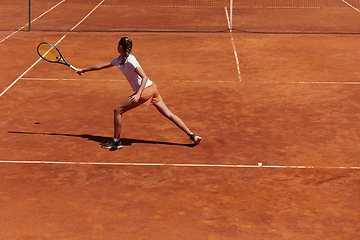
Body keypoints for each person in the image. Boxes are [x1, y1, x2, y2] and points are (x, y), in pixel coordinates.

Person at [76, 37, 201, 150]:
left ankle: (116, 141)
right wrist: (84, 70)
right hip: (153, 88)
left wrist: (138, 94)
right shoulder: (119, 60)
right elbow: (102, 66)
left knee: (117, 110)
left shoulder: (130, 60)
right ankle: (192, 135)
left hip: (145, 90)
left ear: (120, 47)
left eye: (118, 44)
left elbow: (144, 76)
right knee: (168, 113)